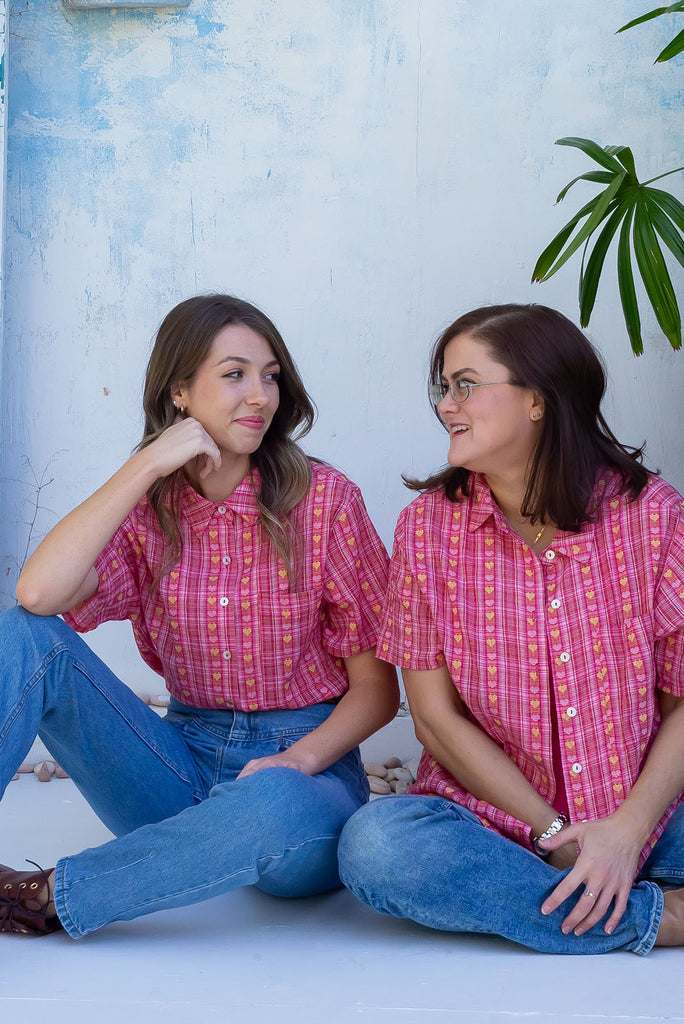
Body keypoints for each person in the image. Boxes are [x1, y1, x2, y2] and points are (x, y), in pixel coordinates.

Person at [0, 293, 398, 938]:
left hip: (300, 774)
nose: (261, 396)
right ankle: (178, 851)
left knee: (274, 805)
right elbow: (39, 596)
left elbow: (378, 692)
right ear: (179, 391)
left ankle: (47, 898)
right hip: (176, 762)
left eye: (270, 375)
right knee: (23, 634)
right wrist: (148, 463)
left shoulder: (324, 500)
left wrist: (297, 761)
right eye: (234, 374)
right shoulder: (150, 508)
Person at [338, 303, 684, 955]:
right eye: (443, 387)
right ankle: (652, 918)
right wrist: (554, 833)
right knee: (376, 848)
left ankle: (589, 889)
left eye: (466, 384)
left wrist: (626, 830)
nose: (446, 404)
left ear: (539, 399)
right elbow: (435, 720)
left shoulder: (653, 517)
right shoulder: (427, 530)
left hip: (648, 813)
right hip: (499, 825)